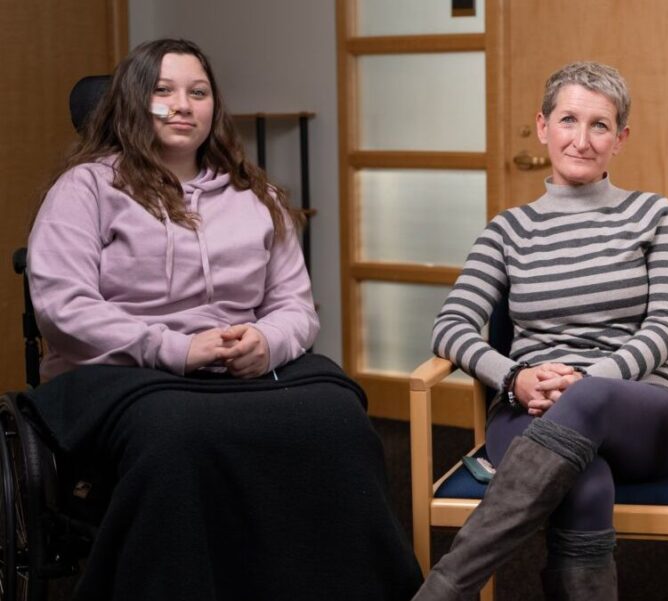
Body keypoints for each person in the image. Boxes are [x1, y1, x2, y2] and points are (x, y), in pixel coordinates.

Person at [26, 39, 421, 600]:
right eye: (163, 91)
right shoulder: (87, 188)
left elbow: (294, 306)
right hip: (120, 369)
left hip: (236, 367)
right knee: (178, 432)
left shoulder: (254, 194)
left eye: (199, 92)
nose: (183, 105)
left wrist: (265, 340)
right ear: (133, 102)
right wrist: (174, 349)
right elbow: (62, 307)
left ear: (215, 107)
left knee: (337, 415)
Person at [413, 62, 668, 601]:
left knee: (588, 401)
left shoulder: (653, 214)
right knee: (584, 485)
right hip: (531, 402)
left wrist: (585, 381)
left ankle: (443, 590)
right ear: (543, 127)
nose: (582, 140)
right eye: (568, 120)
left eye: (600, 126)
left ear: (621, 138)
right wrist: (515, 377)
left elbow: (666, 329)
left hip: (643, 407)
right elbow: (449, 327)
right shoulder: (507, 230)